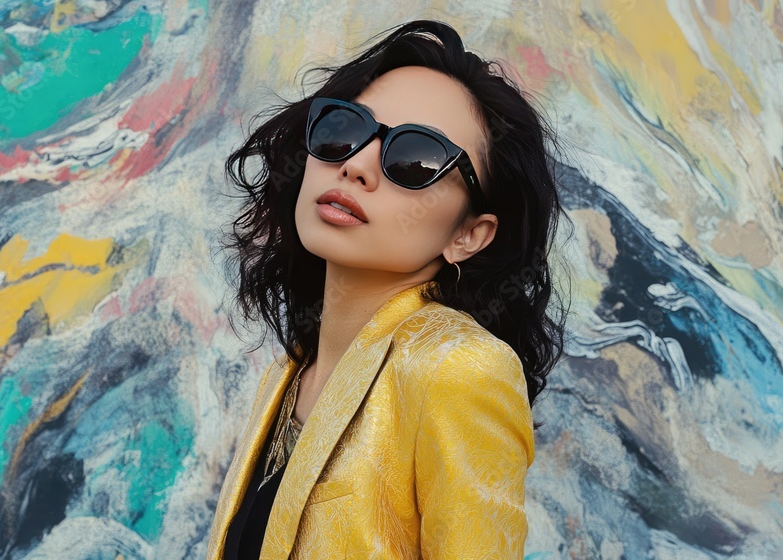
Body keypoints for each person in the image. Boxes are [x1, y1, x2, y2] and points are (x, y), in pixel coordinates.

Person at [206, 19, 568, 559]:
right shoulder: (289, 373)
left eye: (414, 160)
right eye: (342, 130)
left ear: (470, 235)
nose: (355, 166)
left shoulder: (459, 368)